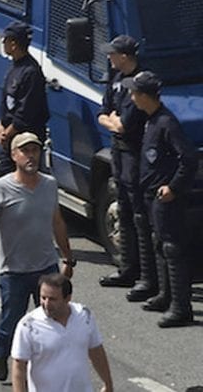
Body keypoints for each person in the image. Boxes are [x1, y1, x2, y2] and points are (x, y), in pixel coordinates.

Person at [0, 132, 75, 381]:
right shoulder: (0, 188)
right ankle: (0, 351)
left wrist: (68, 258)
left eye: (34, 150)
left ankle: (47, 369)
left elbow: (57, 222)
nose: (31, 155)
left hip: (46, 267)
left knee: (53, 319)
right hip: (14, 271)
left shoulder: (49, 185)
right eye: (25, 151)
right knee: (11, 325)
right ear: (14, 155)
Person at [127, 70, 198, 327]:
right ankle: (165, 295)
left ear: (145, 96)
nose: (131, 97)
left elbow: (188, 158)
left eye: (134, 93)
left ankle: (181, 307)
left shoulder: (166, 123)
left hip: (165, 198)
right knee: (159, 245)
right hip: (150, 196)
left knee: (172, 247)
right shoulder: (151, 120)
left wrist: (174, 187)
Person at [95, 36, 152, 295]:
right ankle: (127, 268)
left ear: (125, 56)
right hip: (118, 150)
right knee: (124, 210)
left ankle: (146, 274)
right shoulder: (115, 79)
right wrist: (112, 120)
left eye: (113, 53)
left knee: (139, 215)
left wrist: (114, 121)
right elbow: (103, 113)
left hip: (133, 154)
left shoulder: (139, 82)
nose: (109, 57)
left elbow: (125, 124)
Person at [11, 273, 114, 392]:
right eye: (43, 298)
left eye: (53, 299)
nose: (46, 304)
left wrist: (108, 383)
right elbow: (19, 367)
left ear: (67, 298)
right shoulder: (28, 325)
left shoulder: (84, 316)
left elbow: (96, 351)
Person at [0, 21, 48, 176]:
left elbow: (26, 110)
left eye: (5, 40)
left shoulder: (31, 72)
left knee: (20, 179)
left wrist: (9, 132)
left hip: (24, 139)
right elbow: (6, 101)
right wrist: (0, 125)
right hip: (10, 137)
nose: (2, 43)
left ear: (13, 44)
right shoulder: (15, 67)